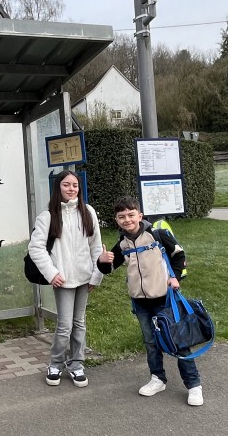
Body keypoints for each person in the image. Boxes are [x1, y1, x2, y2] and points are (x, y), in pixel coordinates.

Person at [97, 196, 203, 406]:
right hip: (140, 302)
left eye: (130, 215)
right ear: (117, 220)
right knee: (151, 343)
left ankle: (193, 385)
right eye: (121, 217)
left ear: (140, 215)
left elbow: (179, 255)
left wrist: (176, 277)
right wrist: (102, 262)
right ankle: (158, 378)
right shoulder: (121, 243)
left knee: (179, 341)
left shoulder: (158, 235)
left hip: (165, 298)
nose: (127, 220)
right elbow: (109, 269)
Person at [27, 170, 104, 388]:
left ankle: (77, 364)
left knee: (79, 323)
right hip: (62, 280)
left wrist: (96, 276)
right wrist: (52, 273)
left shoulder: (88, 212)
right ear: (57, 187)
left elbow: (96, 246)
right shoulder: (47, 216)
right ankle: (55, 363)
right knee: (64, 325)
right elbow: (36, 248)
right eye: (66, 185)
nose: (71, 189)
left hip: (84, 277)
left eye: (75, 185)